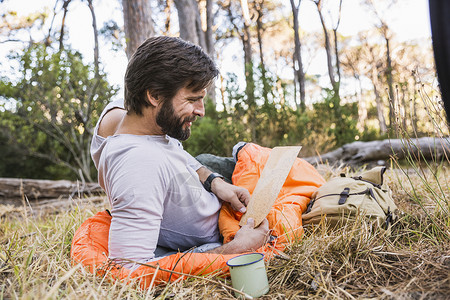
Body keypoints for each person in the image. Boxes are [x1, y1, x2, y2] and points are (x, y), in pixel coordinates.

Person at [90, 36, 269, 271]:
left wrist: (213, 181)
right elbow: (130, 269)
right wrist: (236, 250)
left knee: (262, 160)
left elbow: (170, 151)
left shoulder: (118, 114)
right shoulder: (138, 167)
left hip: (205, 186)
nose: (201, 111)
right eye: (193, 100)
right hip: (215, 229)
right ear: (153, 96)